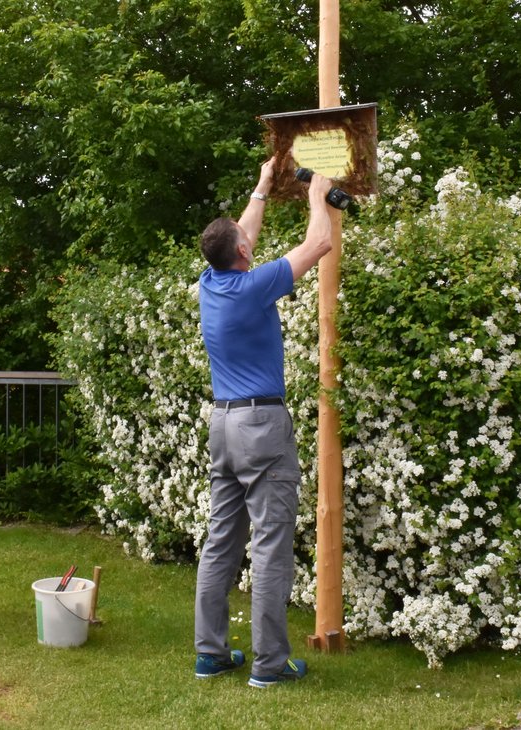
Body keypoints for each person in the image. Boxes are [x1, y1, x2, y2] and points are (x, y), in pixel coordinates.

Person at [194, 158, 334, 687]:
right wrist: (317, 194)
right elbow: (318, 245)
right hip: (260, 427)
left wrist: (261, 185)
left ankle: (210, 653)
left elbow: (242, 235)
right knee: (271, 544)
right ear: (245, 255)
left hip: (223, 427)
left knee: (221, 541)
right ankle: (270, 666)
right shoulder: (254, 286)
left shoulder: (213, 282)